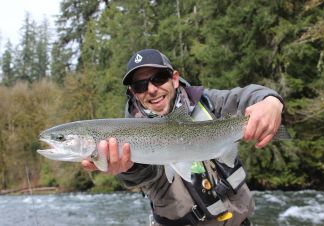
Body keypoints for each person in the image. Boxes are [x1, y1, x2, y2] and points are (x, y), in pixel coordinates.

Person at [82, 49, 284, 226]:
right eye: (140, 86)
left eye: (159, 78)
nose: (151, 89)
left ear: (175, 78)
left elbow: (246, 96)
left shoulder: (207, 102)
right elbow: (142, 176)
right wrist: (127, 169)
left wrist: (271, 102)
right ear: (133, 92)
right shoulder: (126, 134)